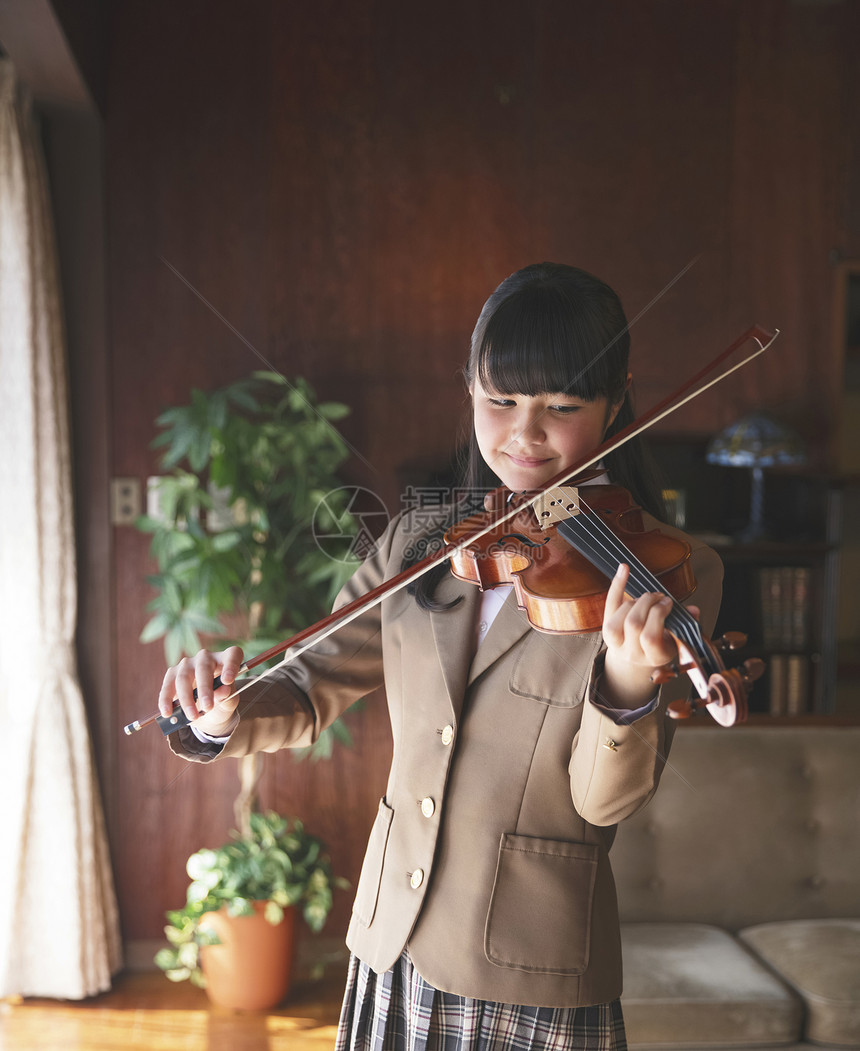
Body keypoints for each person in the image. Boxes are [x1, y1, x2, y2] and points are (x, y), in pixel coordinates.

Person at [159, 262, 723, 1050]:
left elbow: (604, 804)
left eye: (561, 406)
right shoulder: (421, 542)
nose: (524, 434)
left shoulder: (661, 566)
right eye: (501, 400)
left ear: (617, 400)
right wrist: (222, 714)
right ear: (468, 387)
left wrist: (626, 683)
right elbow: (309, 680)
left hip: (533, 967)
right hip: (392, 944)